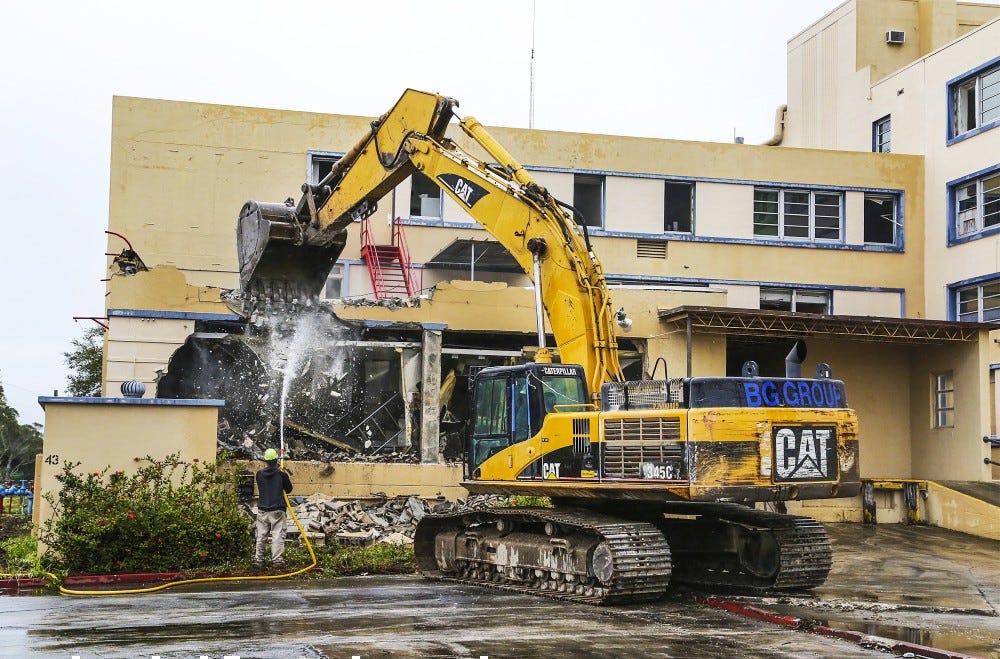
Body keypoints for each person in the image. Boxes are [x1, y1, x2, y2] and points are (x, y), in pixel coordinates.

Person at [254, 448, 293, 570]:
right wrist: (281, 474)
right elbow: (289, 489)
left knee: (261, 536)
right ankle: (277, 562)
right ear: (276, 460)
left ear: (265, 461)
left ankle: (259, 561)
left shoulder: (259, 474)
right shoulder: (282, 475)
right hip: (277, 510)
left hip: (262, 510)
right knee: (277, 536)